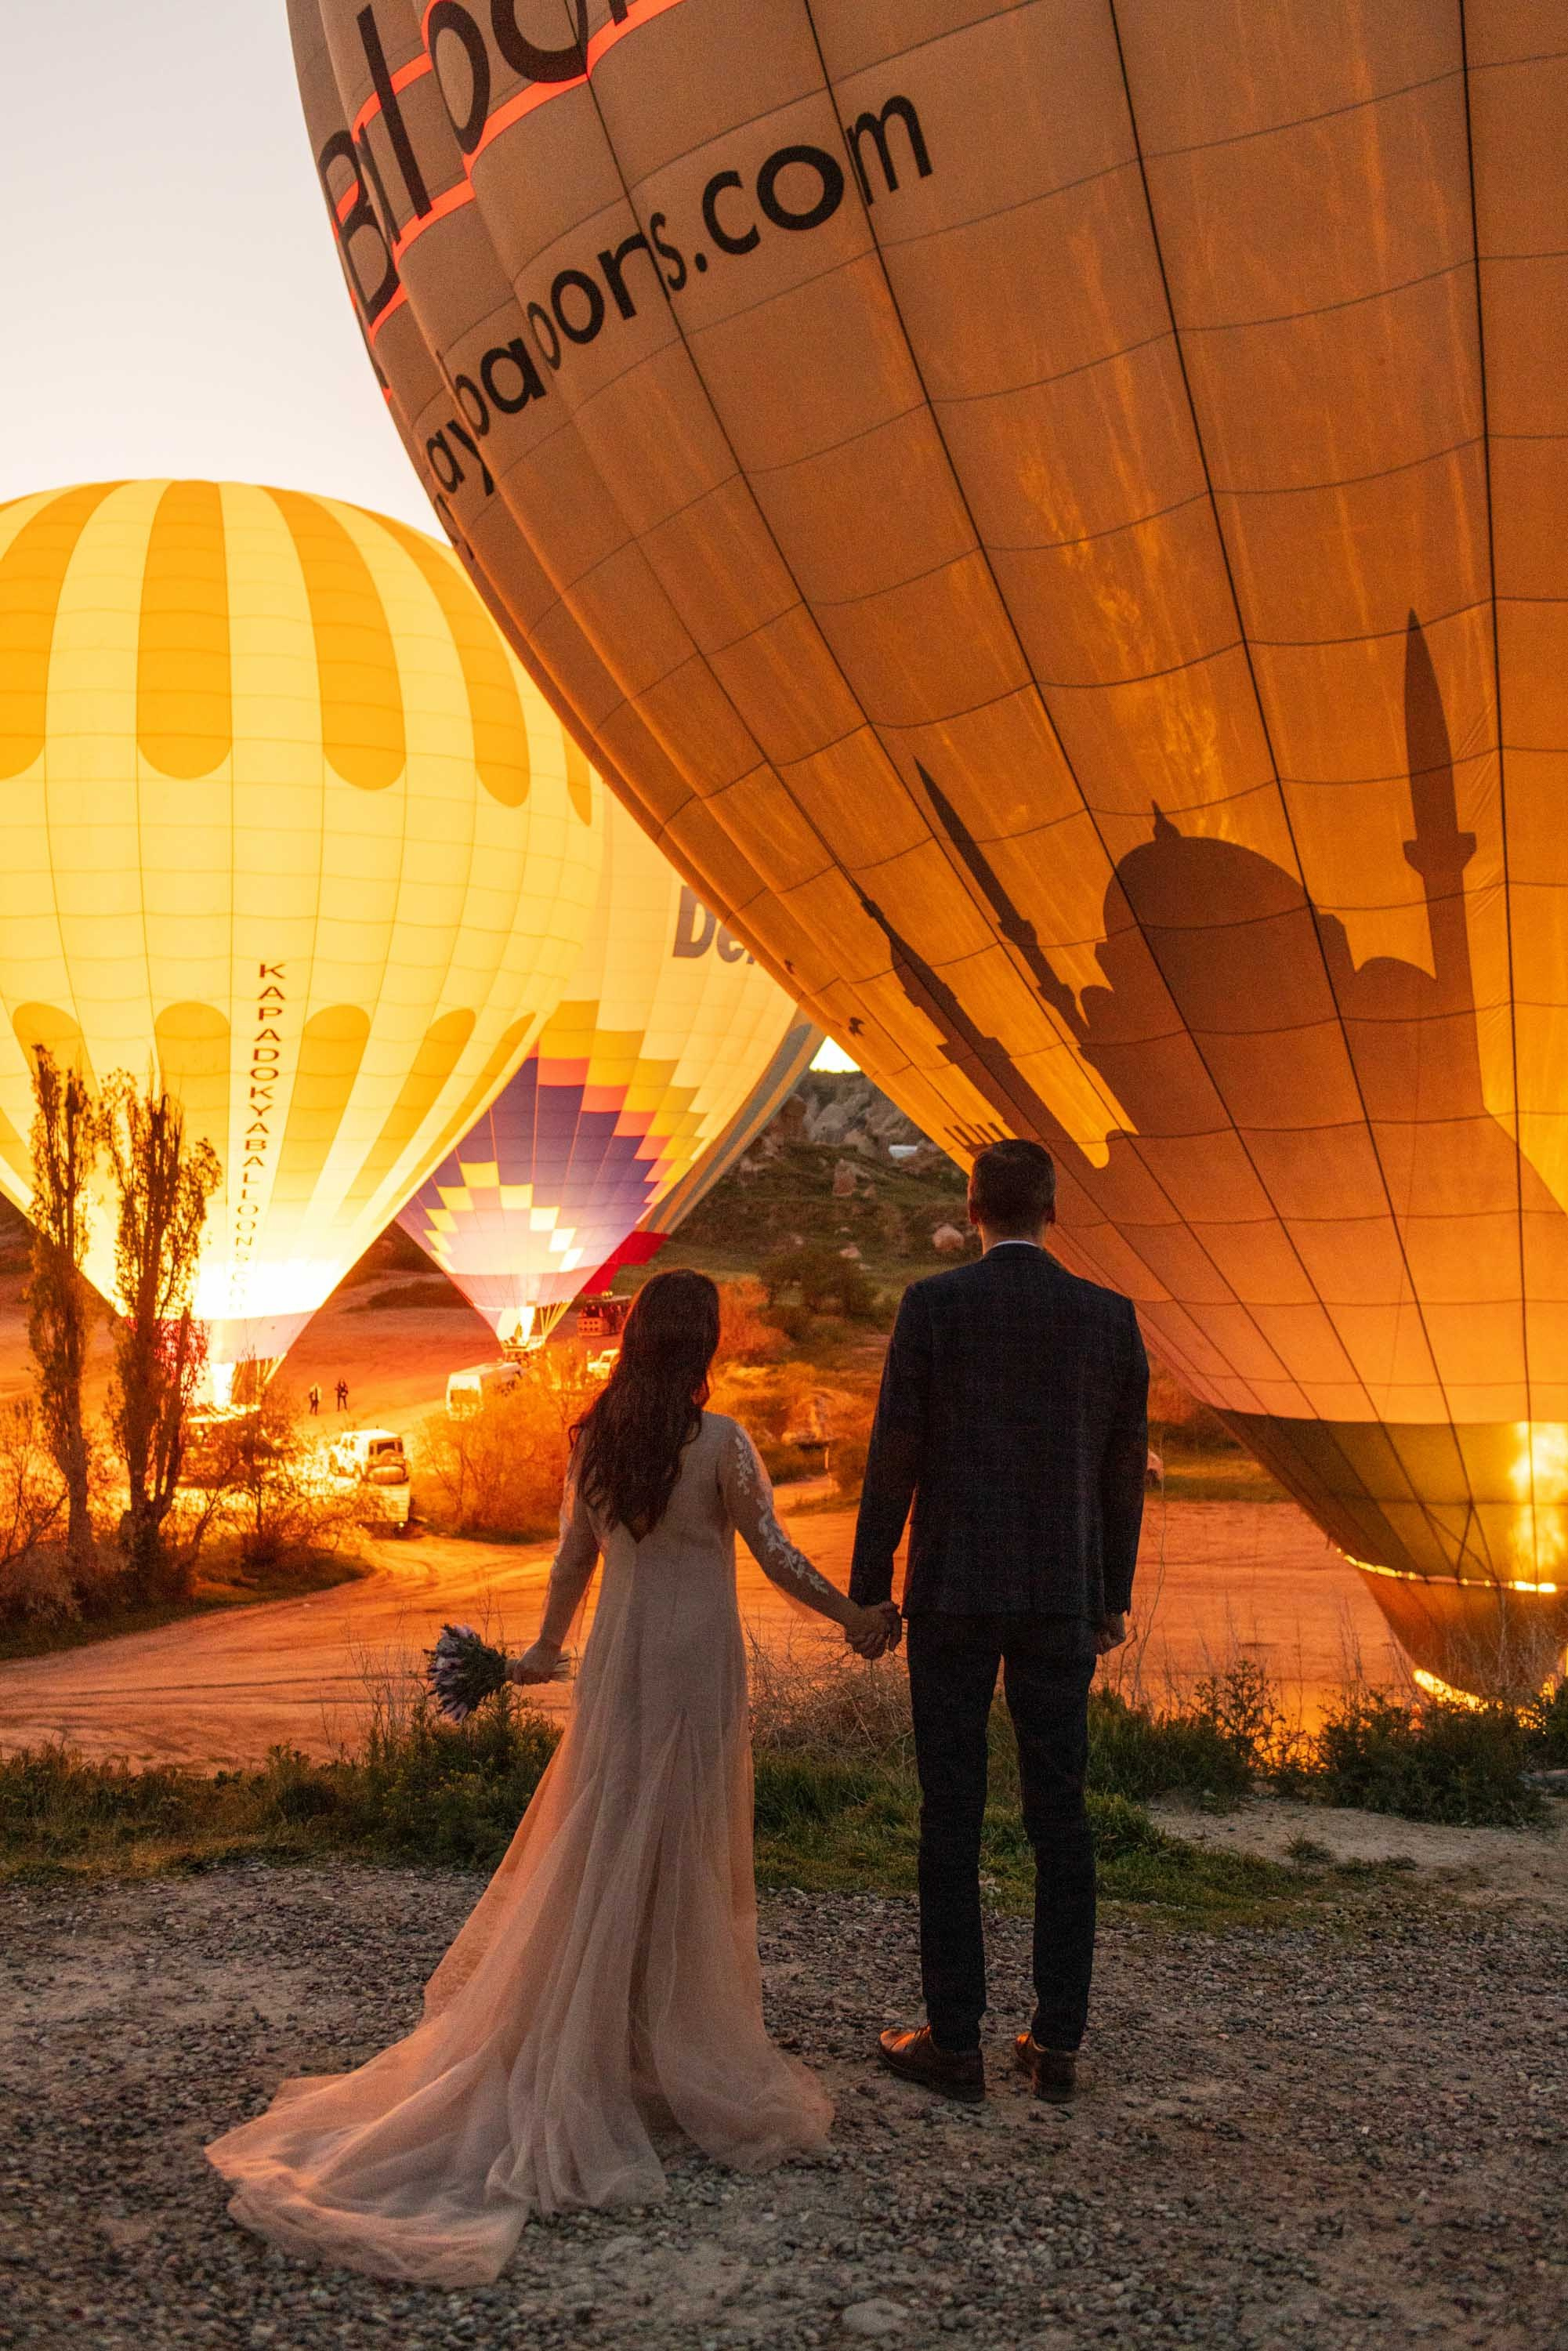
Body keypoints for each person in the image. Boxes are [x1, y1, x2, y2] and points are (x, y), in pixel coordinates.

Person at [206, 1270, 894, 2284]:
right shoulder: (721, 1444)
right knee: (681, 1845)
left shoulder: (598, 1442)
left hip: (620, 1662)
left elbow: (574, 1557)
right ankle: (659, 2044)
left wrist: (540, 1651)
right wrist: (855, 1617)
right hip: (695, 1662)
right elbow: (777, 1553)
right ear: (700, 1348)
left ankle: (610, 2033)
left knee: (610, 1833)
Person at [850, 1138, 1147, 2105]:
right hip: (1062, 1594)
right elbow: (1120, 1475)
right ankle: (1056, 2043)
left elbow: (895, 1450)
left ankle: (957, 2040)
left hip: (954, 1593)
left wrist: (870, 1587)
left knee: (954, 1814)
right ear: (1052, 1210)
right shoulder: (1108, 1319)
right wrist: (1113, 1598)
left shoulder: (933, 1307)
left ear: (972, 1208)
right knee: (1061, 1816)